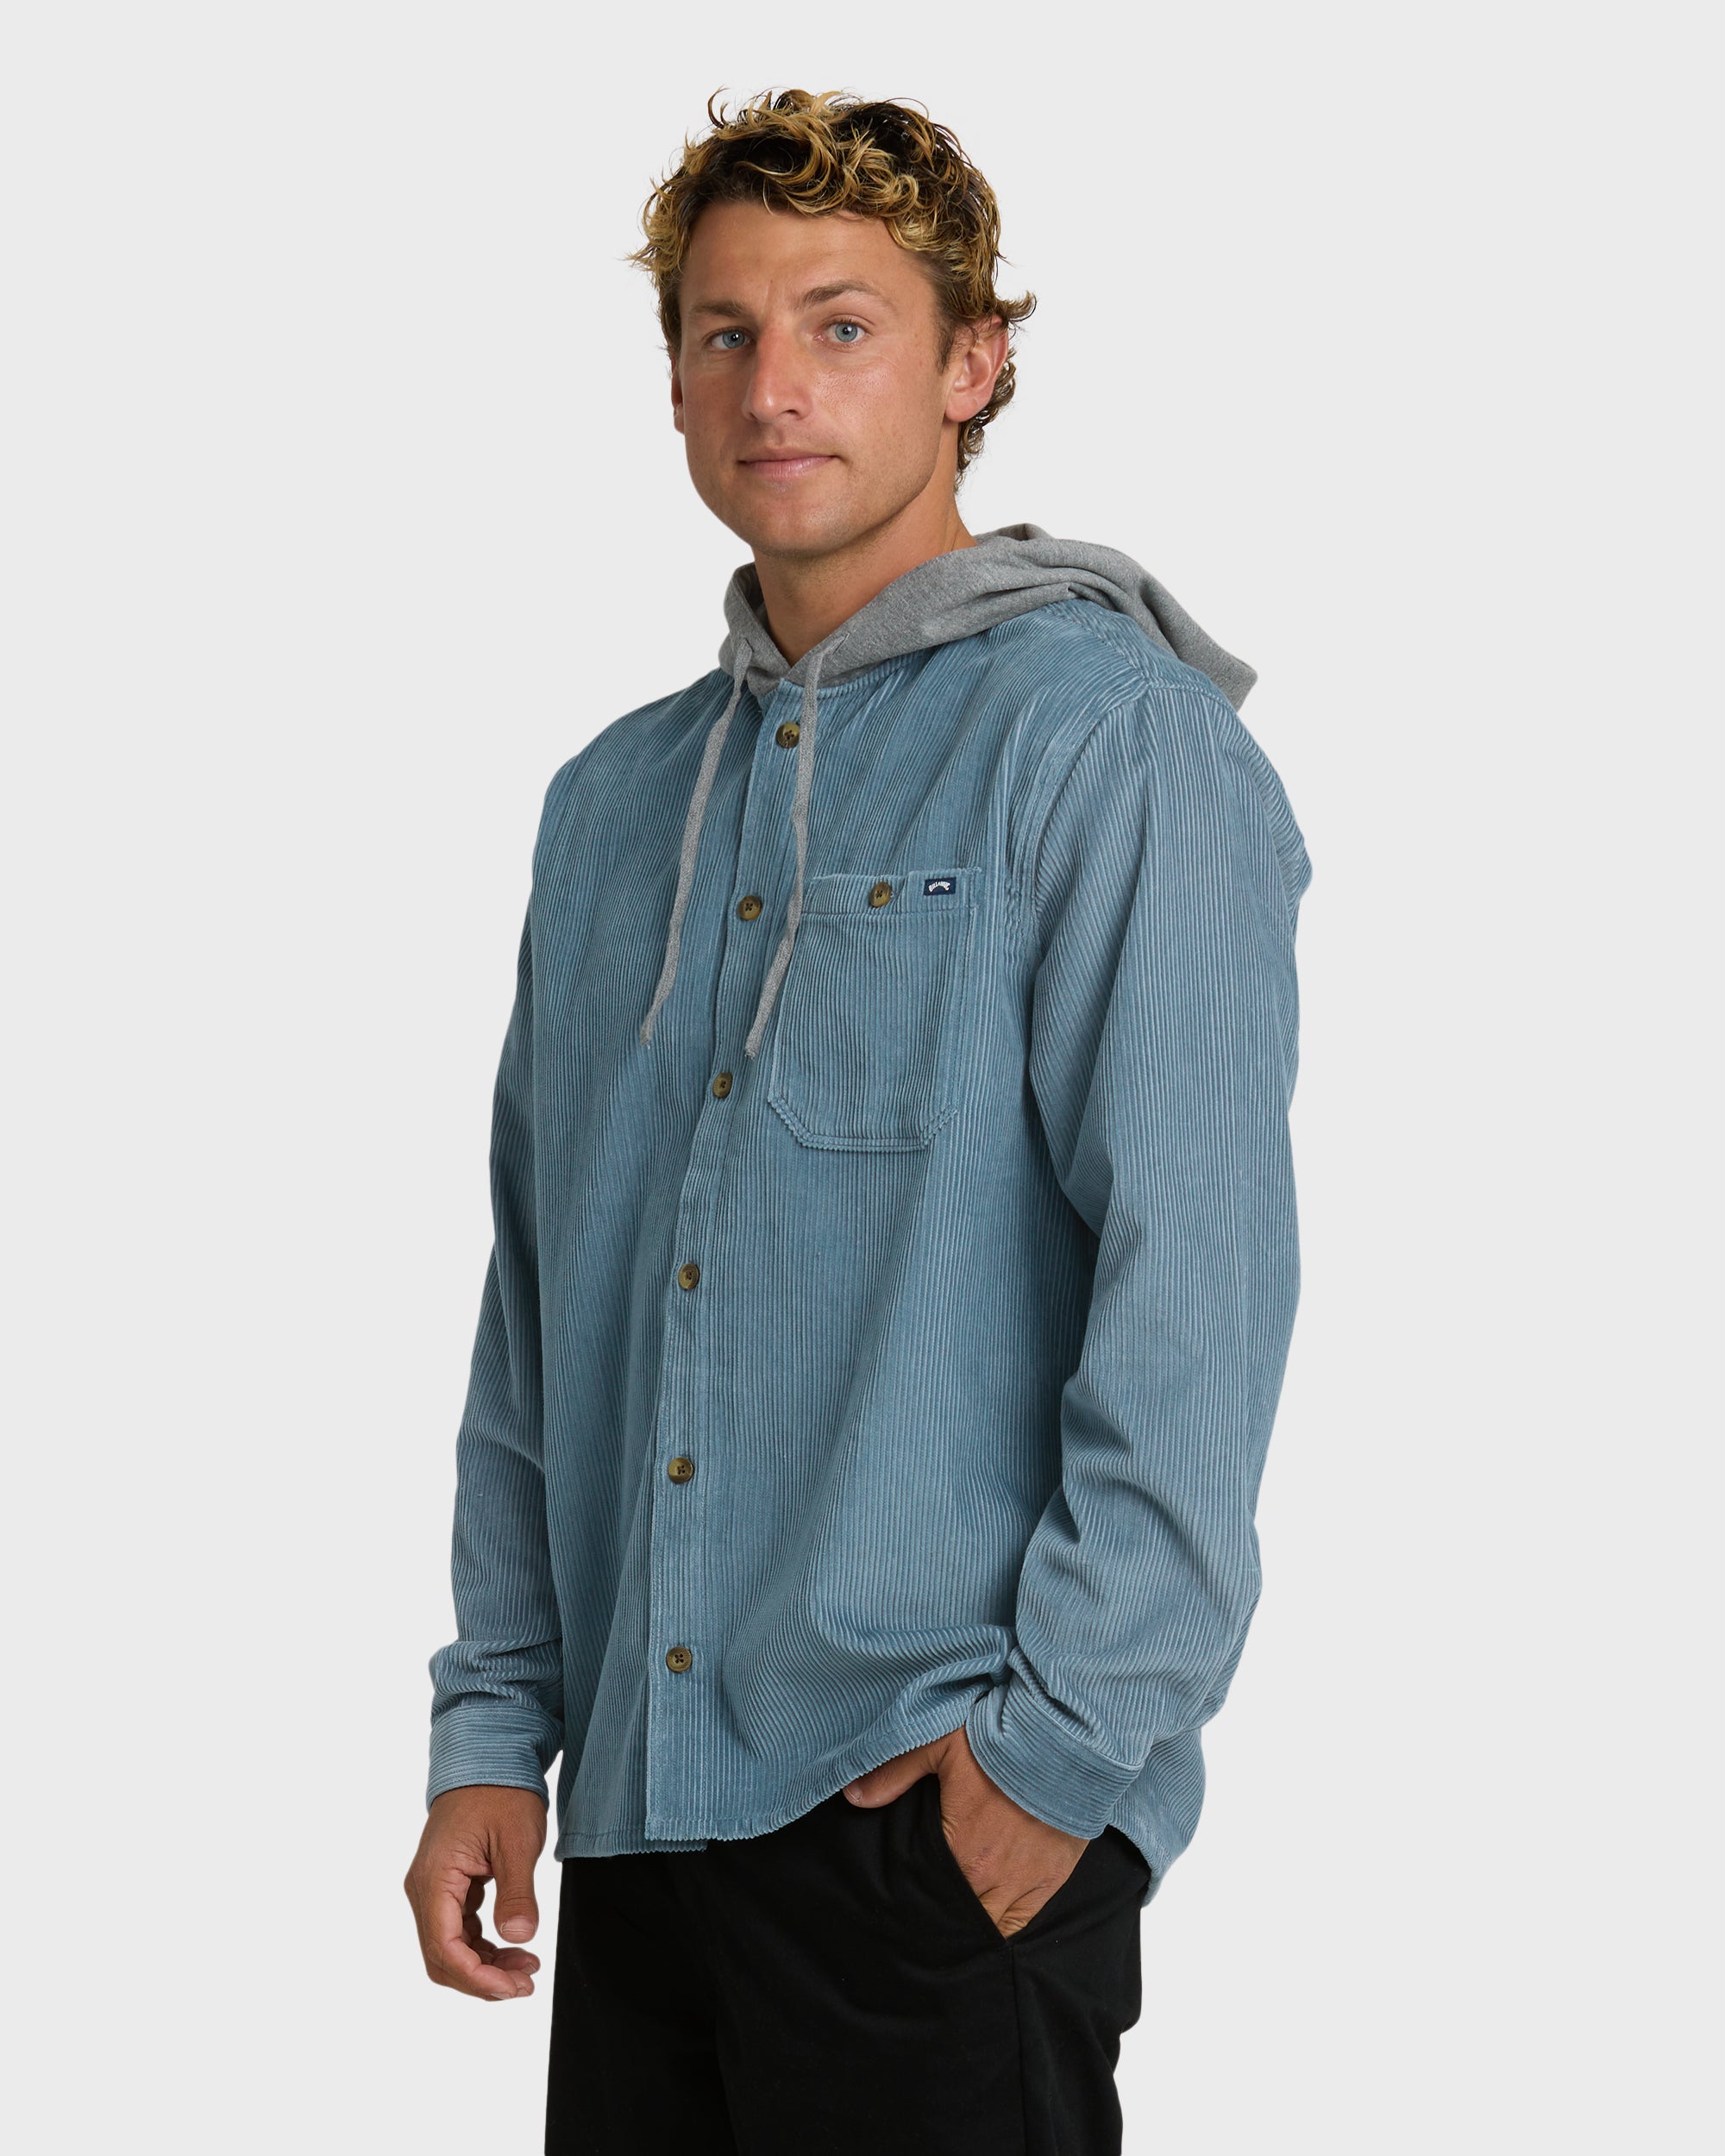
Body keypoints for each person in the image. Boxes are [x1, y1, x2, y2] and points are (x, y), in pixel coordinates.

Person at [403, 87, 1310, 2156]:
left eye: (840, 324)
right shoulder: (611, 805)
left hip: (926, 1820)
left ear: (972, 363)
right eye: (722, 333)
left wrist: (1049, 1764)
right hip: (642, 1821)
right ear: (671, 382)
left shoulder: (1111, 744)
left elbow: (1195, 1292)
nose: (772, 386)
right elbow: (542, 1307)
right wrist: (494, 1724)